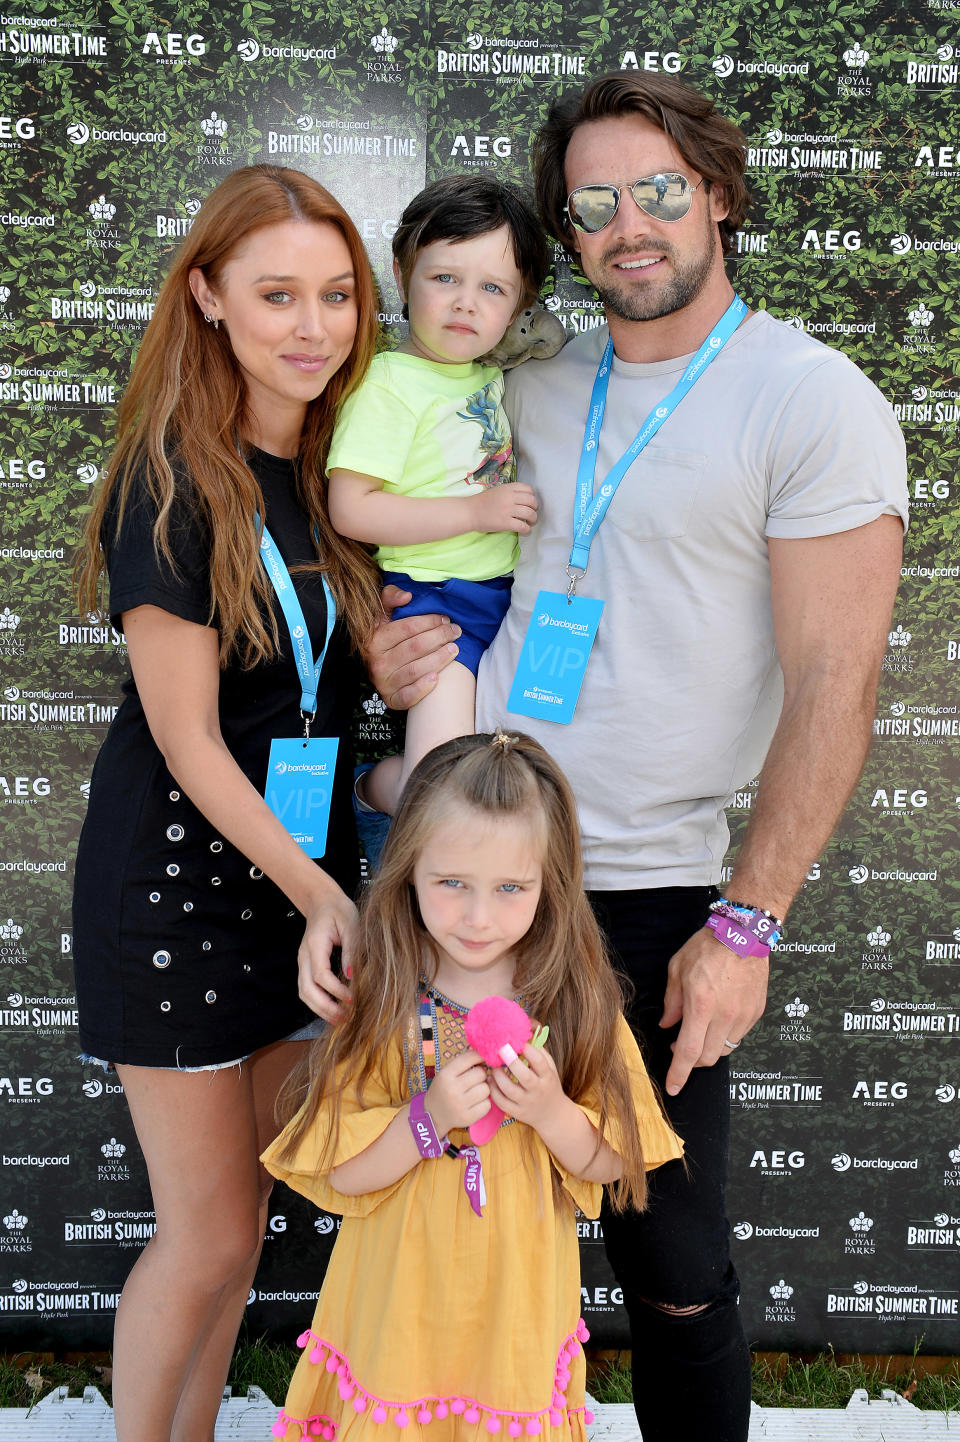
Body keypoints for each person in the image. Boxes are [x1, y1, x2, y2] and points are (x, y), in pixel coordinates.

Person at [362, 73, 909, 1442]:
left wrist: (748, 918)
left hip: (661, 894)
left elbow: (837, 688)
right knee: (443, 1230)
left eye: (659, 189)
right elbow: (421, 550)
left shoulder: (810, 399)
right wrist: (394, 649)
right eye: (594, 203)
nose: (630, 225)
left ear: (719, 193)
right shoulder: (519, 377)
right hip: (469, 887)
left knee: (669, 1265)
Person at [72, 164, 382, 1442]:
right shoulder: (171, 479)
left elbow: (312, 706)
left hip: (290, 891)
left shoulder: (334, 475)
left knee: (241, 1230)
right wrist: (322, 890)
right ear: (205, 295)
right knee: (199, 1234)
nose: (312, 327)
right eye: (275, 295)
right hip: (180, 894)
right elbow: (191, 739)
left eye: (338, 295)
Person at [262, 731, 683, 1442]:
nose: (478, 917)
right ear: (409, 871)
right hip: (397, 1311)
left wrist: (550, 1113)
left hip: (511, 1322)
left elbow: (616, 1158)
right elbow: (344, 1168)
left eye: (510, 888)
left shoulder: (576, 1002)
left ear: (551, 882)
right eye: (451, 883)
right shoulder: (387, 994)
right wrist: (427, 1119)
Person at [327, 174, 548, 816]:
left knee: (502, 775)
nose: (465, 305)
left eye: (493, 289)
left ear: (518, 305)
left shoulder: (486, 375)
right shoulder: (389, 386)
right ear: (403, 273)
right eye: (445, 278)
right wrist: (475, 513)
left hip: (506, 606)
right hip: (435, 609)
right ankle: (372, 791)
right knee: (443, 787)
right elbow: (352, 507)